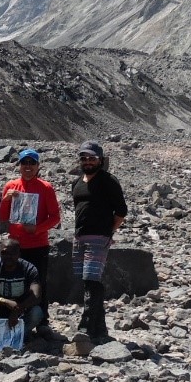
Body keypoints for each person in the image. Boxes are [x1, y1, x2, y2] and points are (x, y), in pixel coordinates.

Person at [0, 148, 61, 337]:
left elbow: (55, 217)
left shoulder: (46, 187)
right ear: (19, 165)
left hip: (38, 244)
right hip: (14, 246)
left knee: (39, 283)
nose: (28, 166)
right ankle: (12, 315)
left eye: (32, 163)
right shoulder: (11, 185)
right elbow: (2, 216)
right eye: (24, 163)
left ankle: (42, 321)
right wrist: (7, 200)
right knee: (14, 281)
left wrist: (38, 229)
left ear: (38, 166)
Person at [71, 141, 128, 342]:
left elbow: (121, 211)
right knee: (87, 281)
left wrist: (107, 232)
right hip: (79, 238)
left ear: (100, 160)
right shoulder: (77, 183)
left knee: (91, 280)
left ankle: (86, 326)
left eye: (92, 158)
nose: (88, 162)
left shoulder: (109, 181)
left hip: (98, 238)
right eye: (84, 158)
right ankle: (100, 329)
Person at [0, 239, 44, 340]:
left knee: (37, 312)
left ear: (19, 254)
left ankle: (17, 334)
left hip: (21, 312)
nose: (8, 256)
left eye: (12, 253)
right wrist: (4, 301)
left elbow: (37, 296)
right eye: (4, 253)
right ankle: (2, 332)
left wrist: (17, 310)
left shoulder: (29, 268)